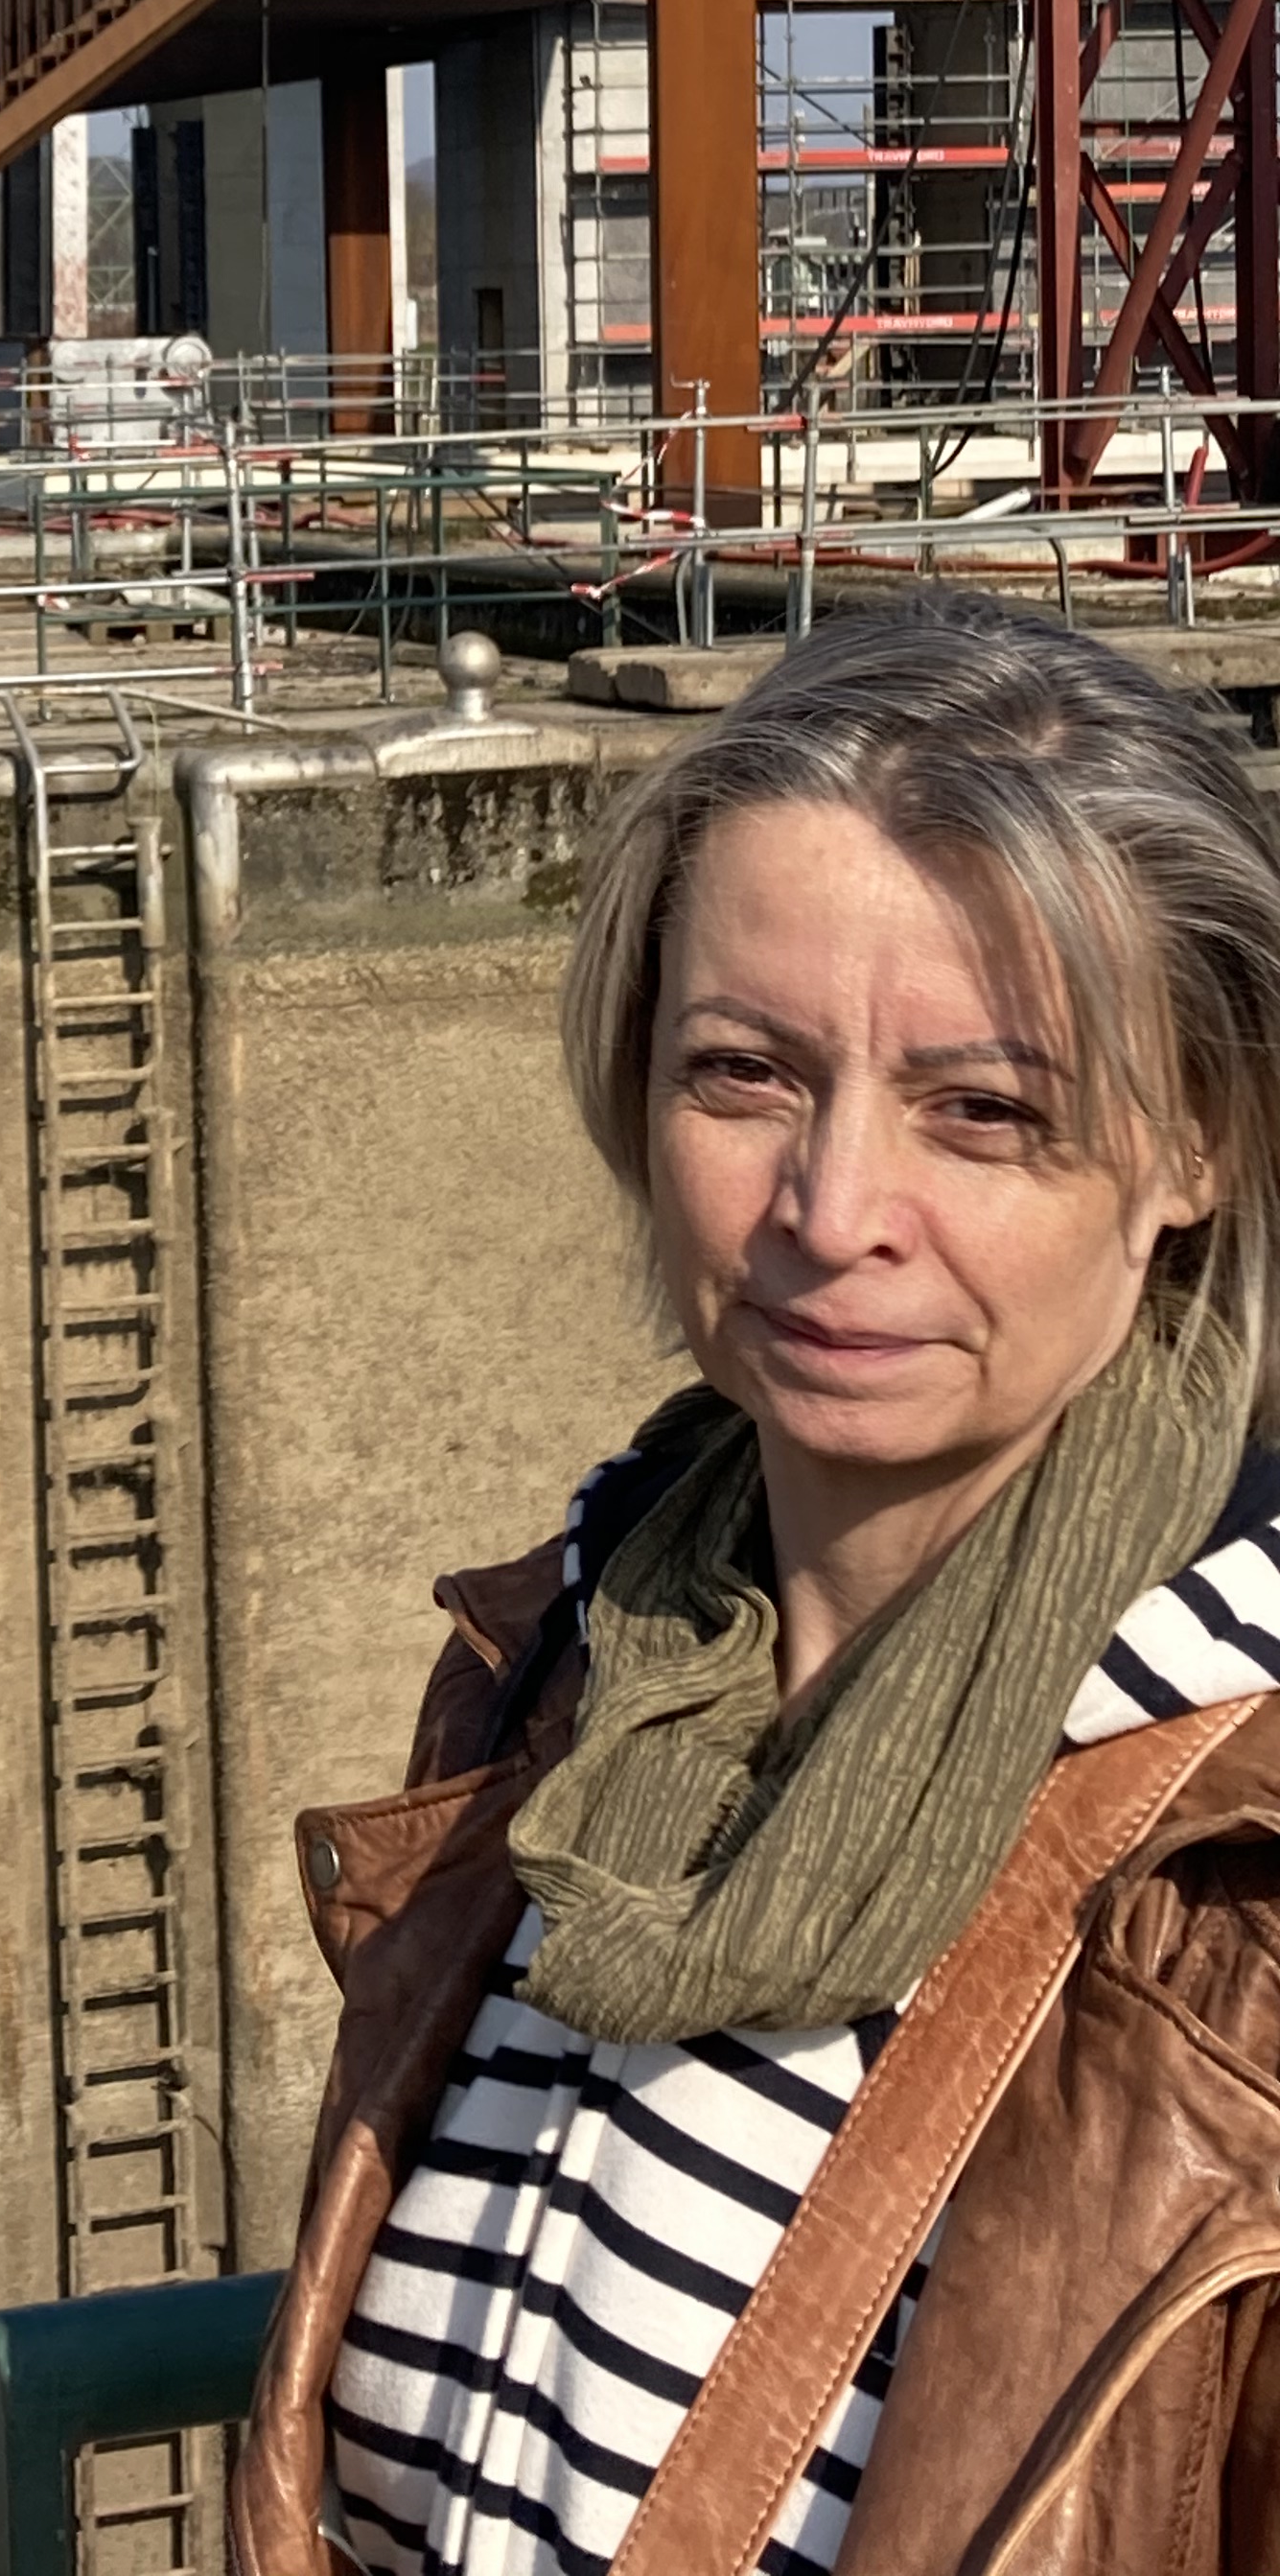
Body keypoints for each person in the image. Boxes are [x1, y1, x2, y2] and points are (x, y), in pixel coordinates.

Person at [230, 597, 1280, 2576]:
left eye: (986, 1109)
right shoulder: (564, 1677)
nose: (832, 1209)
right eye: (745, 1074)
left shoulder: (1232, 1889)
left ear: (1196, 1143)